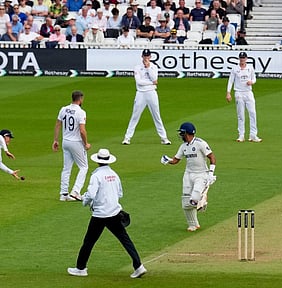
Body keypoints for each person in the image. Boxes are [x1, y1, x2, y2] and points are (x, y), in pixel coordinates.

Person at [67, 148, 147, 278]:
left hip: (100, 214)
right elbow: (120, 193)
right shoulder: (114, 174)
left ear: (98, 161)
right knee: (125, 240)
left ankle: (81, 268)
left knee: (88, 241)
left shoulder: (96, 175)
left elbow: (91, 194)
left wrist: (84, 199)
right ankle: (138, 266)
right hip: (114, 212)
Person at [160, 122, 217, 231]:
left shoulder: (200, 143)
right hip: (188, 174)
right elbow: (176, 160)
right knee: (186, 203)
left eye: (182, 133)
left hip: (201, 174)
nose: (181, 135)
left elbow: (212, 157)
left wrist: (211, 173)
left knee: (194, 198)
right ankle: (193, 224)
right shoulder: (183, 146)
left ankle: (201, 199)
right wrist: (168, 160)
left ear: (187, 133)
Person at [122, 49, 171, 145]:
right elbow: (139, 82)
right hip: (141, 93)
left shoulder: (154, 67)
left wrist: (148, 68)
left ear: (150, 57)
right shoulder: (137, 67)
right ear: (142, 56)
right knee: (135, 116)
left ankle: (164, 138)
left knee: (156, 116)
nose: (146, 58)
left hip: (152, 92)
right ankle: (127, 138)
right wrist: (151, 83)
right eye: (145, 56)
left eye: (148, 56)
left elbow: (154, 78)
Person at [53, 91, 91, 202]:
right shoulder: (81, 112)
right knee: (84, 167)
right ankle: (76, 191)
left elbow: (57, 125)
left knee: (66, 168)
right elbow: (82, 131)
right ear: (80, 99)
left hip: (65, 141)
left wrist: (55, 140)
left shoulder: (63, 109)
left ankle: (63, 193)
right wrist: (86, 143)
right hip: (76, 142)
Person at [226, 52, 261, 142]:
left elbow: (254, 78)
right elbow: (231, 81)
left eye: (243, 58)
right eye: (241, 58)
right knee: (240, 115)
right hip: (239, 93)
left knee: (252, 113)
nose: (242, 60)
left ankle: (253, 135)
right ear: (239, 59)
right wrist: (228, 92)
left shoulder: (250, 68)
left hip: (248, 92)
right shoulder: (235, 69)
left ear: (246, 59)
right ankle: (241, 135)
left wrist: (252, 82)